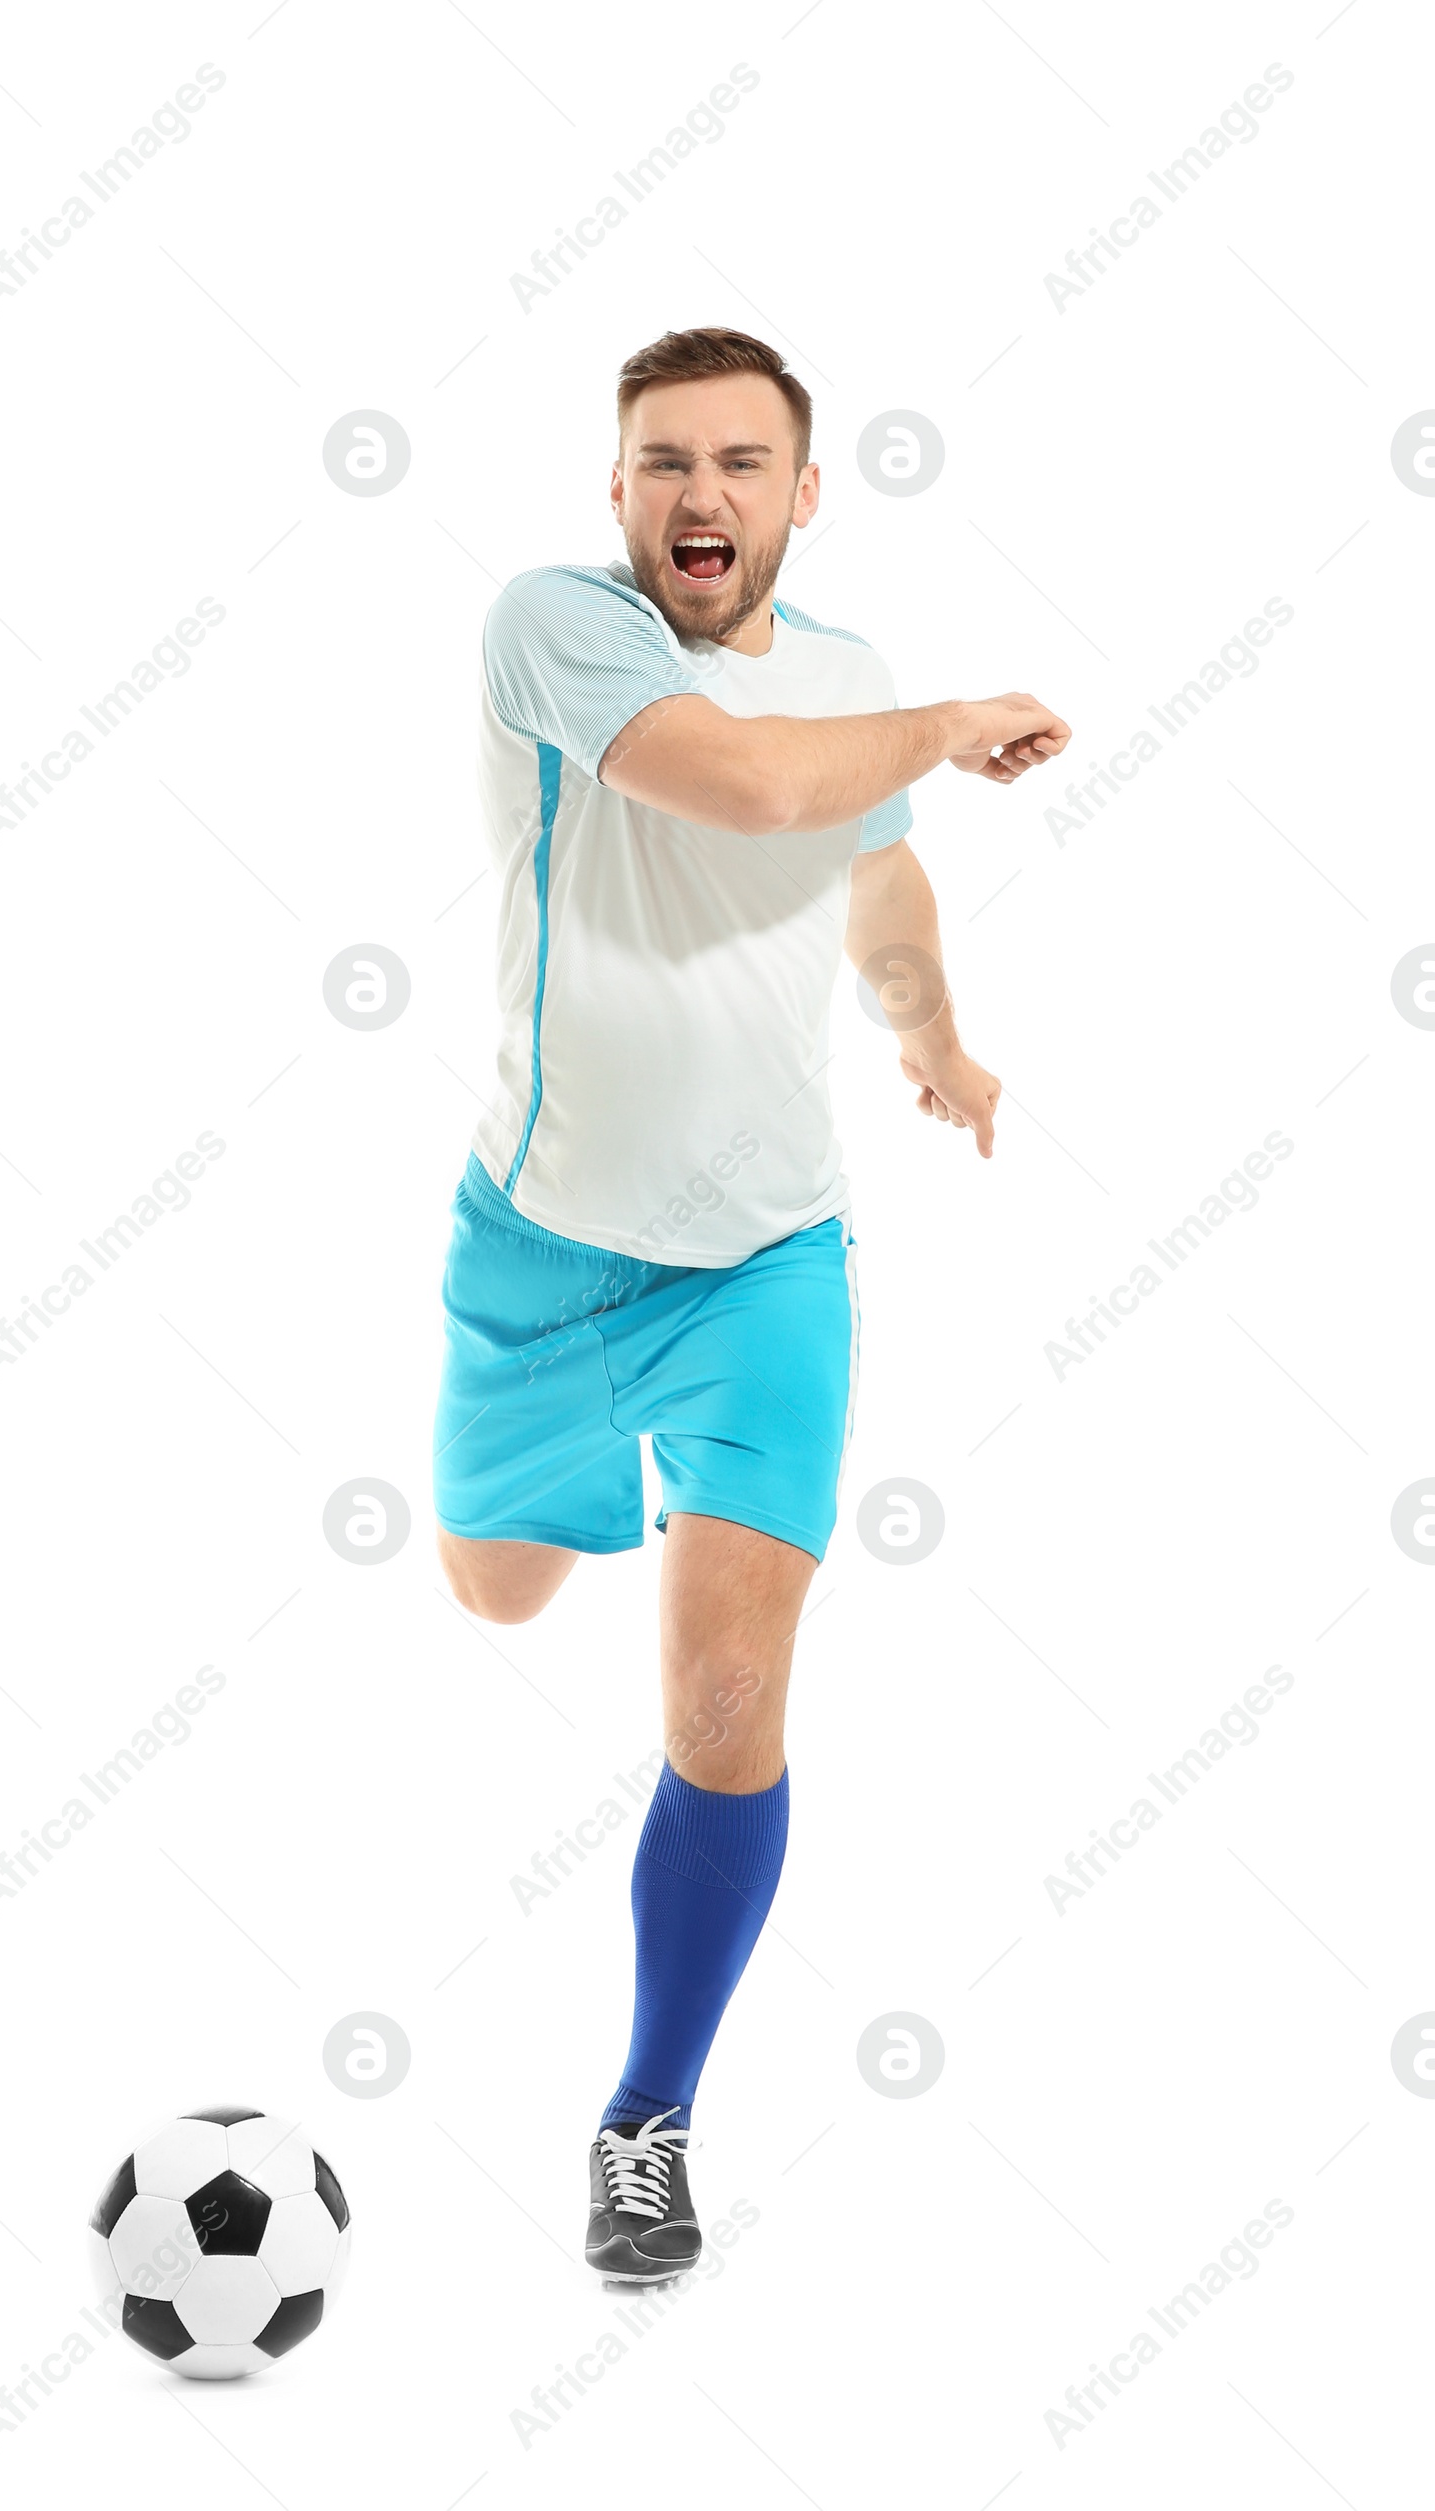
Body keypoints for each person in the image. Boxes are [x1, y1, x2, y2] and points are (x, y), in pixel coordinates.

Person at [432, 325, 1070, 2280]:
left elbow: (872, 881)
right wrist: (947, 717)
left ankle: (648, 2107)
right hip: (539, 1252)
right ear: (613, 495)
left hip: (769, 1264)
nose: (694, 494)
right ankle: (585, 1485)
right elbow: (741, 783)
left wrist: (935, 1037)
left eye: (735, 462)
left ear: (801, 495)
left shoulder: (856, 684)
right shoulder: (553, 625)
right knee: (499, 1588)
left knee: (720, 1691)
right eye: (658, 462)